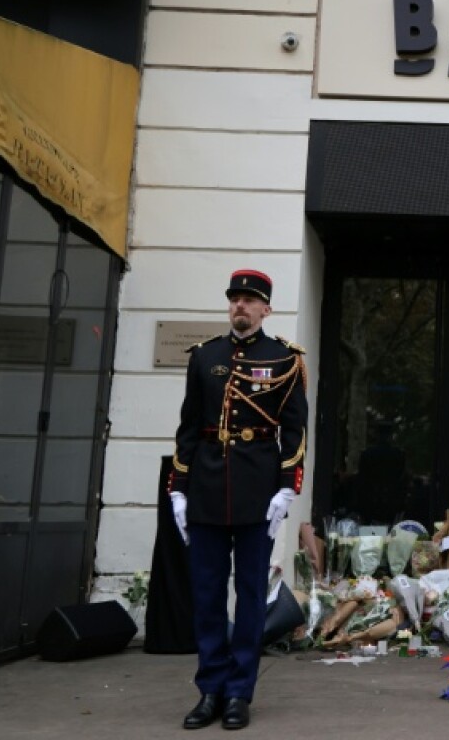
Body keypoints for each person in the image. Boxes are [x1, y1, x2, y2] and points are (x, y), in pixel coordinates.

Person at [168, 270, 308, 730]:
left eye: (250, 300)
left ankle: (238, 692)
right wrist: (178, 489)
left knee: (249, 595)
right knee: (207, 594)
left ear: (266, 308)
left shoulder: (284, 358)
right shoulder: (205, 356)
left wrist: (288, 486)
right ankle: (210, 687)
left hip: (256, 494)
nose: (240, 307)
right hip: (207, 488)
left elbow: (294, 429)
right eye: (235, 299)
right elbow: (189, 428)